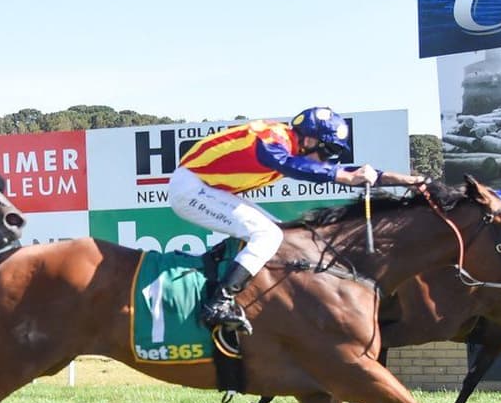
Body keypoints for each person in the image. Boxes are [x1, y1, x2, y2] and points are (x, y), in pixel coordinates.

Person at [170, 108, 423, 332]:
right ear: (309, 140)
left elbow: (348, 172)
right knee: (267, 235)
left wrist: (408, 181)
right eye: (328, 151)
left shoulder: (288, 144)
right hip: (191, 188)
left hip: (207, 187)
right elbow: (289, 165)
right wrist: (345, 177)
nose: (328, 160)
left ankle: (237, 291)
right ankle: (217, 304)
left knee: (279, 234)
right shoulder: (273, 136)